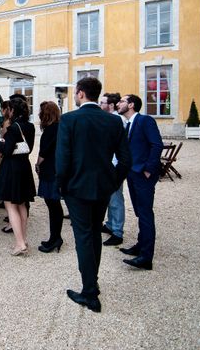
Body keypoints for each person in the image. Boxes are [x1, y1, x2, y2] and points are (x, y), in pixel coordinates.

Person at [55, 77, 130, 313]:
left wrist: (61, 185)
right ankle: (92, 282)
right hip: (102, 186)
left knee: (84, 236)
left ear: (80, 94)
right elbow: (126, 160)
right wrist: (112, 181)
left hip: (77, 188)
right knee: (94, 233)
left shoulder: (68, 119)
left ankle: (89, 292)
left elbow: (62, 159)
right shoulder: (113, 121)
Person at [116, 94, 163, 270]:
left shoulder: (145, 121)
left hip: (143, 175)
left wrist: (148, 169)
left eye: (122, 101)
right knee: (139, 211)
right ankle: (140, 245)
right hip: (133, 173)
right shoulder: (128, 124)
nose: (118, 103)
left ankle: (146, 257)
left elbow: (156, 144)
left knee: (145, 213)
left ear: (131, 105)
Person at [0, 97, 35, 256]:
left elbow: (7, 150)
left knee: (10, 205)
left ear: (13, 111)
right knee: (22, 204)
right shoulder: (30, 126)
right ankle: (23, 239)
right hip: (24, 166)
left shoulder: (13, 128)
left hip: (12, 168)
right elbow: (29, 148)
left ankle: (19, 244)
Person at [36, 101, 63, 253]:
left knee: (53, 205)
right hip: (56, 169)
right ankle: (55, 237)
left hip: (49, 171)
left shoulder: (50, 129)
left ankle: (55, 238)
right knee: (54, 205)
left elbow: (43, 152)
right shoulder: (59, 127)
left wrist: (37, 164)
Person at [99, 92, 125, 247]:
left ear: (110, 105)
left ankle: (117, 231)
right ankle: (110, 224)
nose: (100, 105)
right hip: (108, 163)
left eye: (102, 102)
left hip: (114, 164)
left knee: (115, 199)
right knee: (110, 197)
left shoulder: (117, 120)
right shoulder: (110, 119)